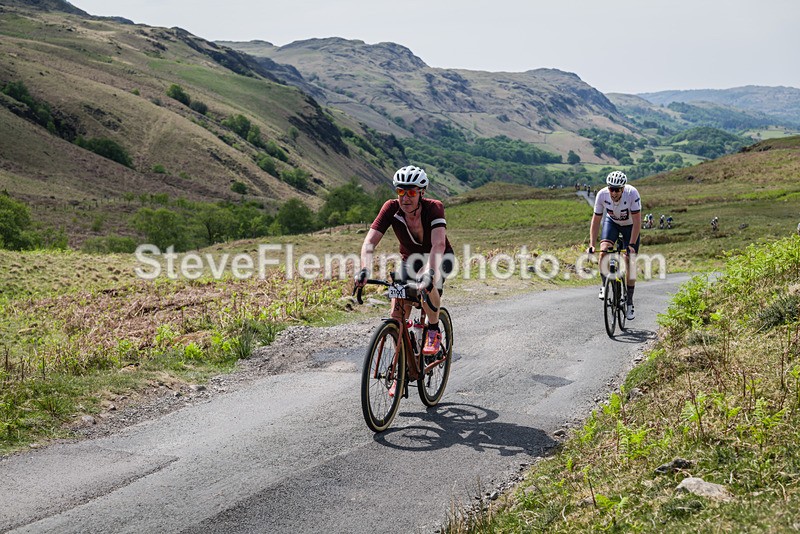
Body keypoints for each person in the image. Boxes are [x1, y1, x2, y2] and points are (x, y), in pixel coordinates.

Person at [355, 165, 455, 356]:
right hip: (411, 260)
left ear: (421, 193)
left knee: (427, 284)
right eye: (401, 191)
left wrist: (428, 274)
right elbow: (370, 242)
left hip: (440, 257)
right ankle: (400, 365)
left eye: (411, 192)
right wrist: (364, 270)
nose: (405, 197)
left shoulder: (434, 208)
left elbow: (438, 245)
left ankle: (433, 330)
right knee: (397, 315)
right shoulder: (391, 208)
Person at [587, 171, 642, 321]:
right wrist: (592, 245)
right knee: (603, 251)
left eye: (617, 189)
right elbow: (596, 221)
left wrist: (631, 244)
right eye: (611, 188)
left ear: (623, 189)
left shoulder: (632, 194)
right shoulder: (602, 195)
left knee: (629, 260)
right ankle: (605, 285)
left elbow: (637, 222)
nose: (614, 192)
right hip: (612, 223)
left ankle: (629, 303)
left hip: (630, 227)